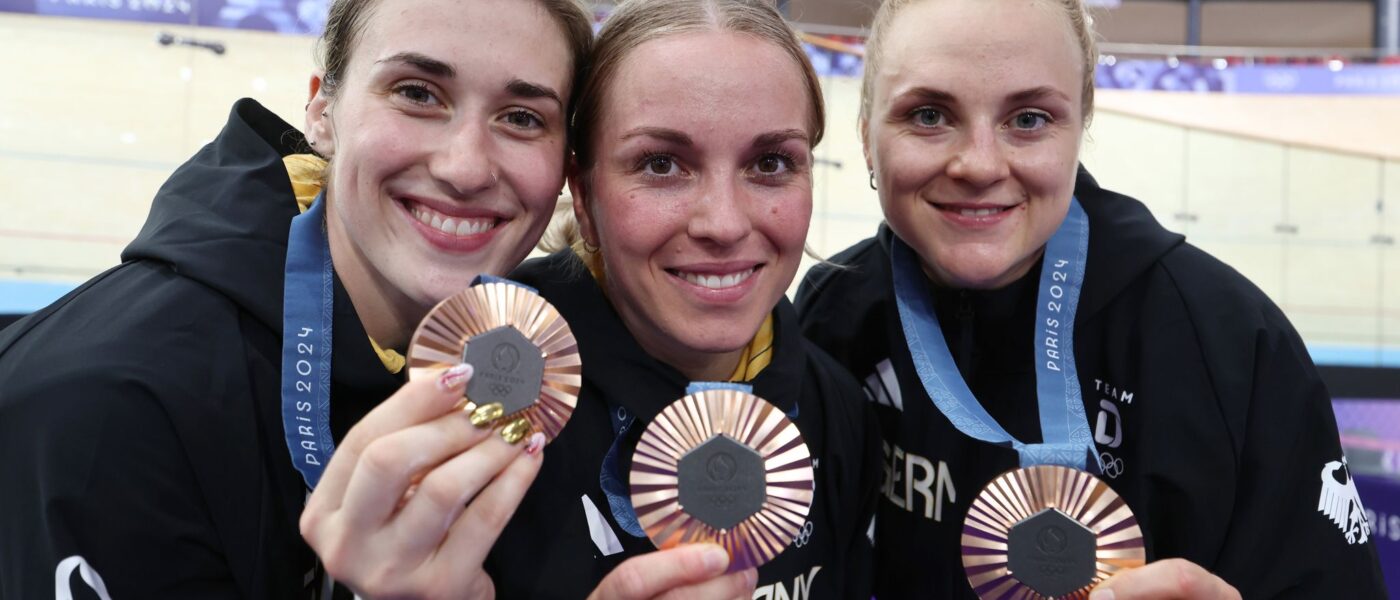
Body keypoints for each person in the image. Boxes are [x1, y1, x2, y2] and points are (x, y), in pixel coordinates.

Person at [0, 0, 606, 596]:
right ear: (322, 111)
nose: (466, 167)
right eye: (417, 93)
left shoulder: (510, 370)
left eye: (523, 117)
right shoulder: (107, 409)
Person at [795, 0, 1389, 598]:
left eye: (1028, 119)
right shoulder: (833, 313)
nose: (978, 164)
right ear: (867, 137)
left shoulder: (1231, 342)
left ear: (1081, 126)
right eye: (928, 115)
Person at [498, 0, 881, 597]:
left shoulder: (836, 408)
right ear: (583, 192)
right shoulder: (491, 382)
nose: (724, 224)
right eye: (661, 164)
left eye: (771, 162)